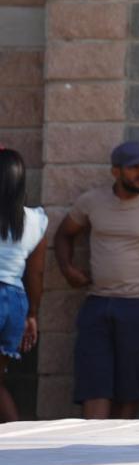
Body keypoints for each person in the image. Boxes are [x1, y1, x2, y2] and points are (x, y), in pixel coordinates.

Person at [53, 141, 139, 420]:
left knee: (128, 388)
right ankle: (88, 450)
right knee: (94, 385)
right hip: (97, 303)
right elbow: (63, 234)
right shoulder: (91, 202)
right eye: (135, 167)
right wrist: (67, 268)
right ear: (115, 171)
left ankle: (115, 454)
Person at [0, 148, 46, 423]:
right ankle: (16, 443)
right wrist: (31, 315)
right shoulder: (36, 221)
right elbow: (36, 274)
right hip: (15, 302)